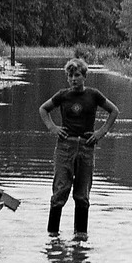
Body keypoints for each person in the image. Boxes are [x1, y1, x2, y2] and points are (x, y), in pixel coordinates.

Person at [39, 57, 119, 236]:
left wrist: (101, 132)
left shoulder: (93, 95)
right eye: (70, 76)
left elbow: (114, 111)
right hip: (65, 147)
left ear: (84, 76)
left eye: (76, 75)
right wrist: (53, 128)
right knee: (60, 191)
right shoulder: (63, 95)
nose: (73, 79)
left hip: (86, 147)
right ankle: (53, 237)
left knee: (82, 195)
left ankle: (80, 238)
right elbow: (43, 109)